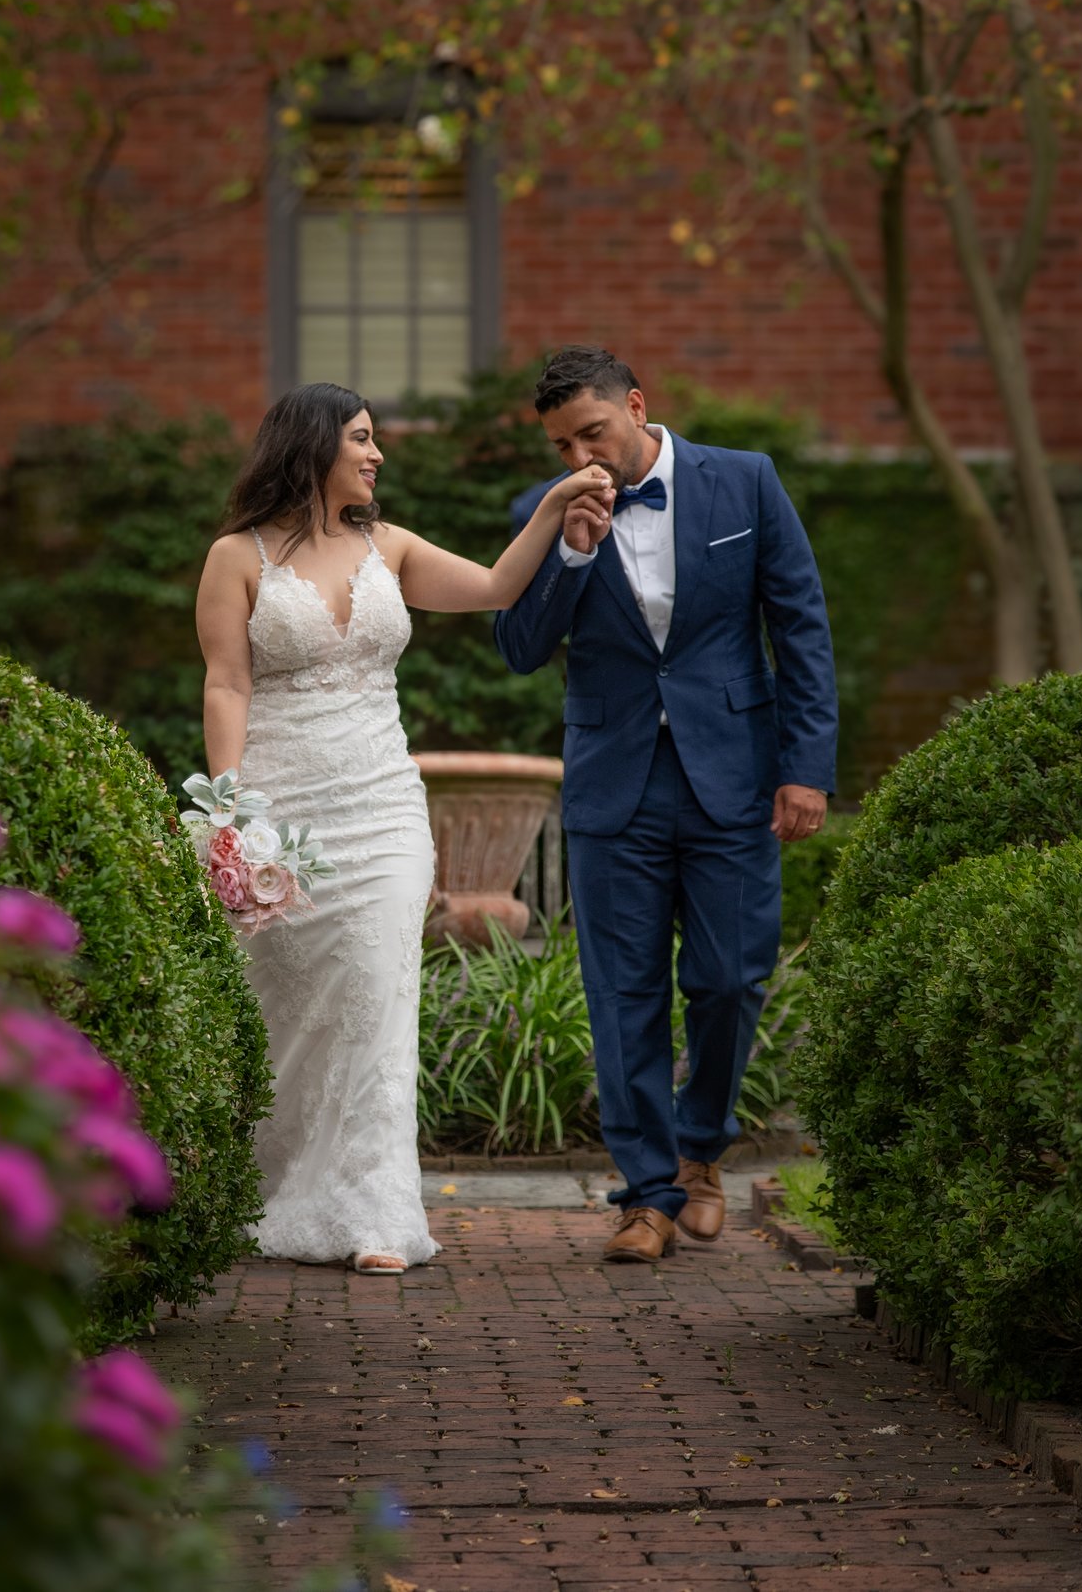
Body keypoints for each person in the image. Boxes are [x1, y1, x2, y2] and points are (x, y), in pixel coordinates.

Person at [195, 381, 613, 1275]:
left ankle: (378, 1213)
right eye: (362, 438)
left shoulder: (392, 546)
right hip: (285, 805)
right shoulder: (236, 557)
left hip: (384, 804)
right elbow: (227, 683)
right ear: (313, 447)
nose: (378, 454)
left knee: (380, 994)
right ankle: (277, 1190)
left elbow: (501, 585)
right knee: (292, 1009)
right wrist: (230, 815)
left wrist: (551, 507)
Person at [495, 346, 838, 1264]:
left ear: (637, 406)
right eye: (563, 444)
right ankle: (643, 1196)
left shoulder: (746, 482)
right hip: (615, 783)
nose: (581, 460)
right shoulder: (549, 510)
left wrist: (804, 768)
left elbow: (799, 623)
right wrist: (571, 549)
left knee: (730, 979)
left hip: (730, 773)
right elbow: (519, 644)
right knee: (621, 993)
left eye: (593, 433)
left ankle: (700, 1153)